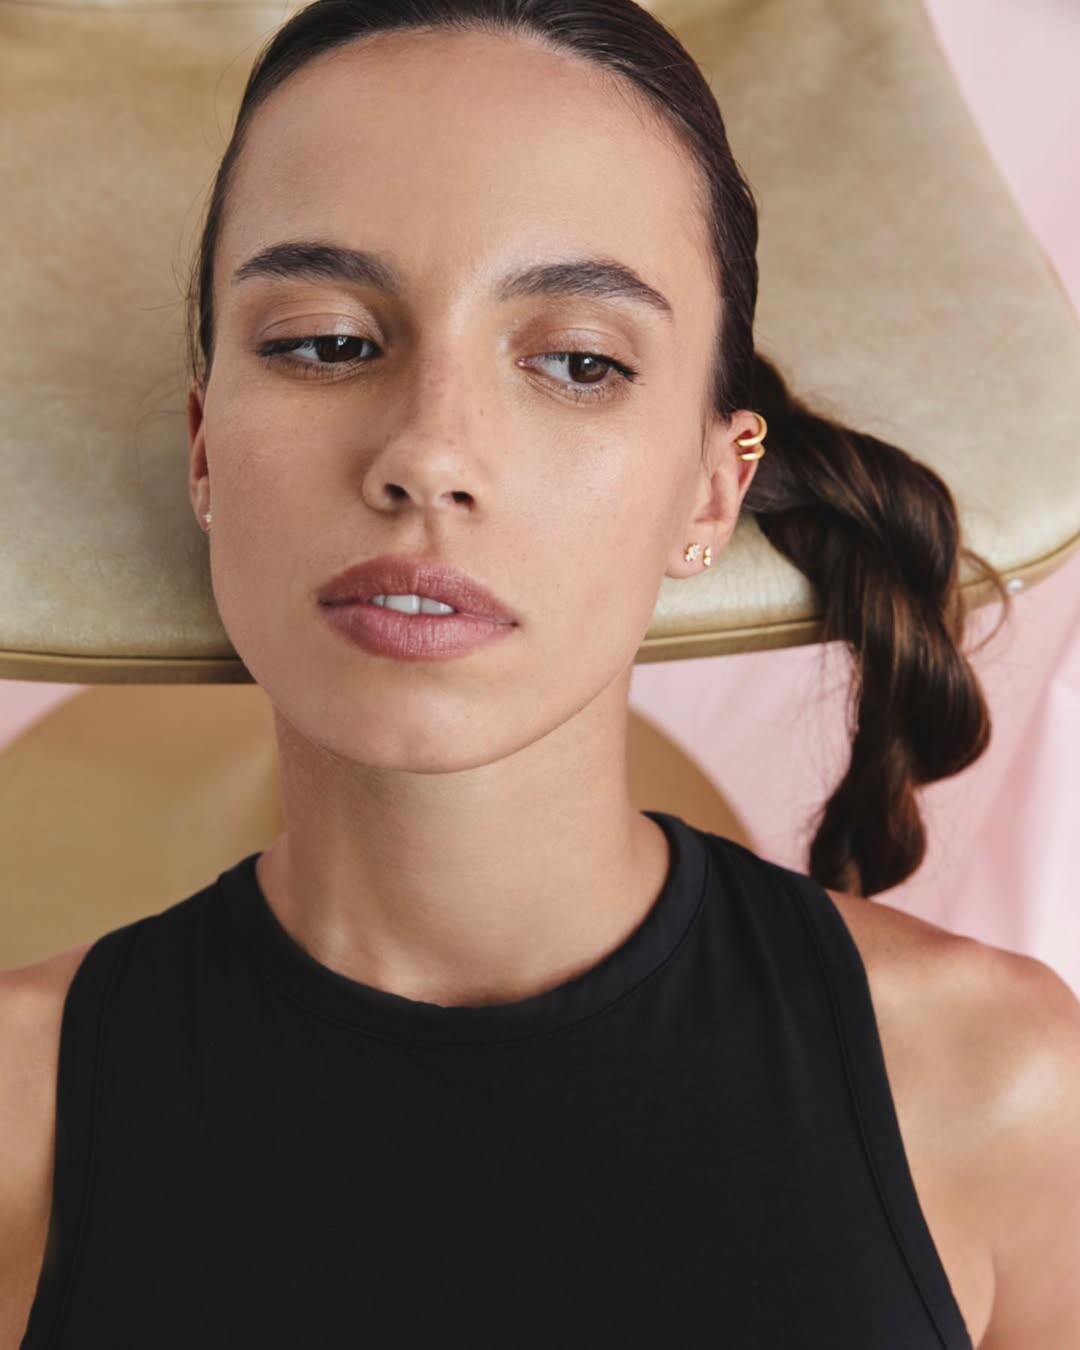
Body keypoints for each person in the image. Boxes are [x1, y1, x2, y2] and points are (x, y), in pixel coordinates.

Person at [4, 0, 1080, 1344]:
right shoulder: (19, 1116)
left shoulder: (999, 1090)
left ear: (711, 488)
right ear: (205, 446)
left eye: (577, 362)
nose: (428, 452)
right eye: (326, 342)